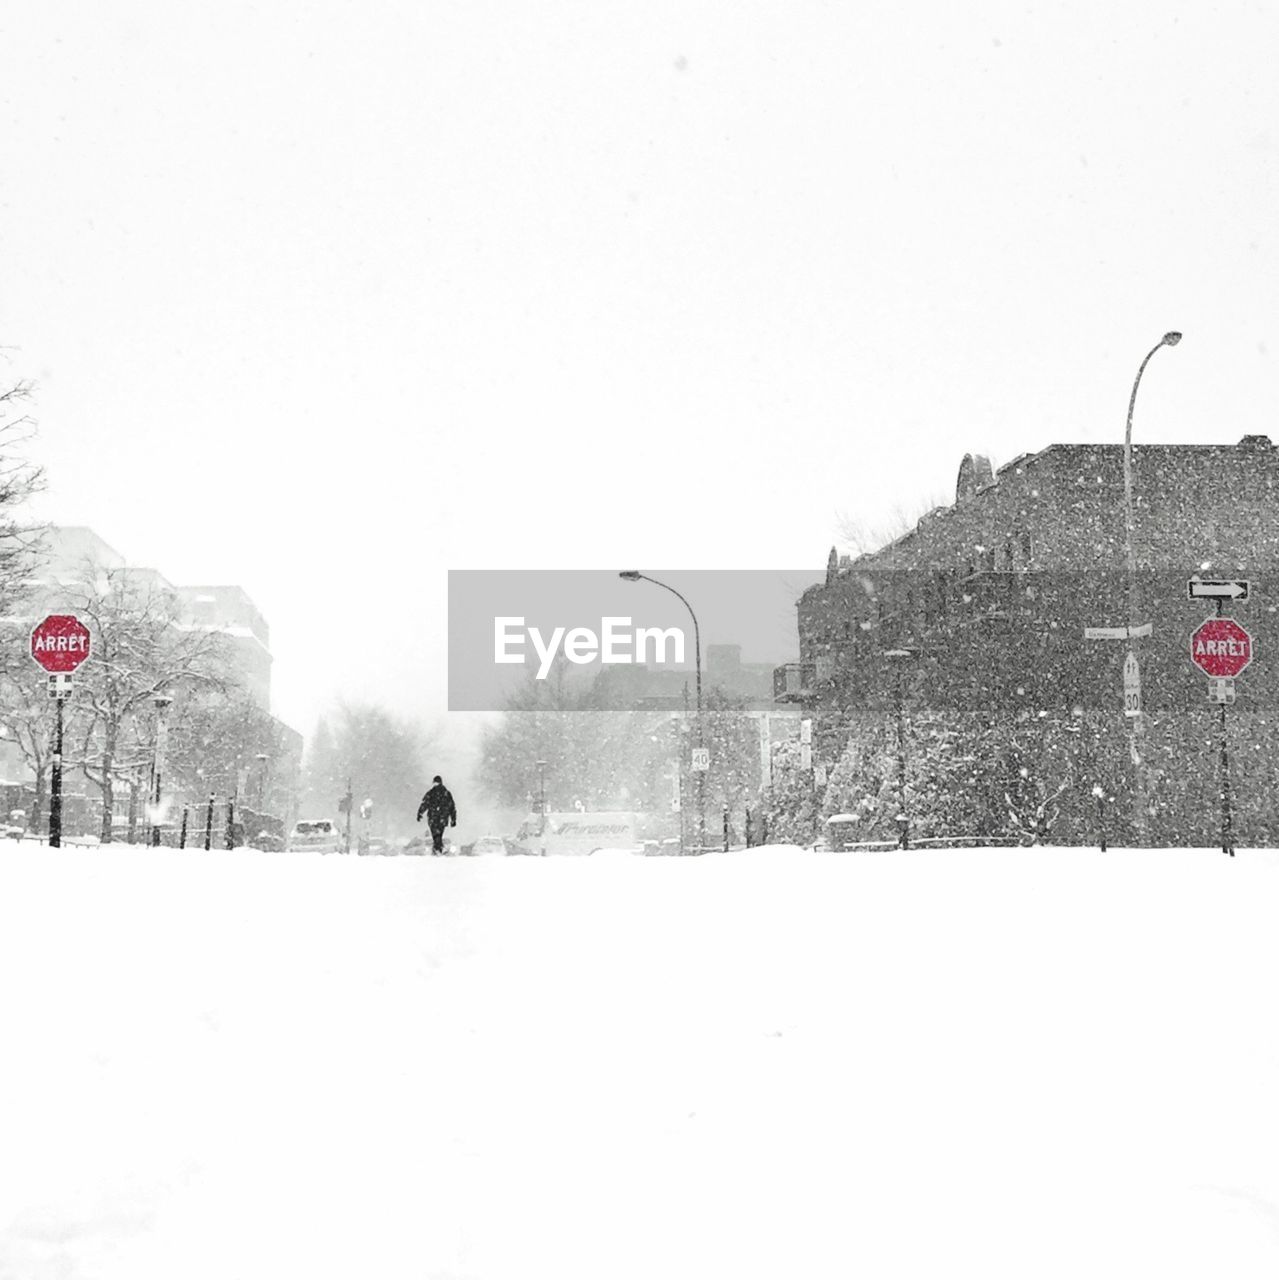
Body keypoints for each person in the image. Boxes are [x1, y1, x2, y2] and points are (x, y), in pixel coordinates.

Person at [416, 775, 457, 855]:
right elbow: (452, 807)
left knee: (436, 835)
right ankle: (438, 849)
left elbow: (425, 804)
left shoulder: (431, 793)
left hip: (433, 817)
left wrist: (420, 813)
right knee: (438, 835)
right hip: (442, 818)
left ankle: (437, 850)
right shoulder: (446, 793)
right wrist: (453, 819)